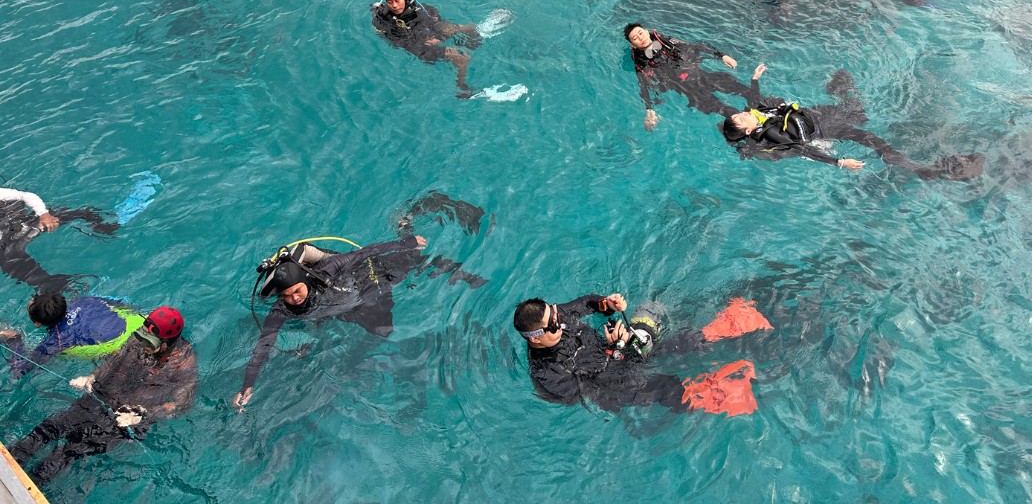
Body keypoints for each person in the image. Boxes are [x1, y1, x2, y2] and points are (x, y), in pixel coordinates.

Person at [233, 193, 488, 410]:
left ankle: (419, 236)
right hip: (344, 306)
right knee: (381, 332)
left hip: (365, 281)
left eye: (297, 291)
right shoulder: (279, 310)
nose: (293, 299)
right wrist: (247, 385)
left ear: (306, 281)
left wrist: (404, 243)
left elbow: (363, 252)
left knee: (414, 263)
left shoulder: (328, 269)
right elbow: (262, 348)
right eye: (286, 296)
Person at [7, 306, 197, 486]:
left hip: (125, 417)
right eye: (142, 336)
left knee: (69, 450)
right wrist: (91, 377)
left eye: (150, 342)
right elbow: (114, 362)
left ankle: (31, 485)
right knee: (51, 426)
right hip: (103, 395)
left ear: (166, 344)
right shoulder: (138, 338)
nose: (143, 344)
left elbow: (181, 404)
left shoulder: (183, 365)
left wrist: (142, 414)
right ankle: (8, 462)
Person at [513, 293, 769, 415]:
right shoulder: (547, 374)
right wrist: (616, 352)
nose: (561, 319)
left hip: (619, 350)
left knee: (653, 319)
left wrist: (607, 304)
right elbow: (589, 393)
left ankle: (725, 327)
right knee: (664, 388)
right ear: (536, 337)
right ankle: (713, 397)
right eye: (554, 323)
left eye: (556, 313)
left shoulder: (558, 316)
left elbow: (585, 304)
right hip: (616, 384)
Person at [720, 68, 985, 181]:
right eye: (741, 119)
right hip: (825, 129)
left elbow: (752, 100)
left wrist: (754, 79)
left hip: (819, 114)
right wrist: (839, 162)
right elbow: (804, 150)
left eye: (740, 115)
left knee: (846, 89)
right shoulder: (773, 134)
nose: (743, 114)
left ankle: (849, 100)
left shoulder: (756, 115)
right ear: (747, 130)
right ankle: (924, 170)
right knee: (870, 138)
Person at [624, 23, 760, 131]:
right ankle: (749, 128)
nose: (640, 37)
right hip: (688, 89)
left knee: (743, 90)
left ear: (646, 31)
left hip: (701, 75)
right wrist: (649, 109)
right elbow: (643, 85)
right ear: (632, 45)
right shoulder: (640, 62)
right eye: (635, 38)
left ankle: (764, 110)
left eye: (640, 33)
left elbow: (696, 46)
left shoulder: (665, 40)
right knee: (724, 110)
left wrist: (721, 56)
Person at [0, 187, 119, 292]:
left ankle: (102, 224)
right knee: (10, 260)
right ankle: (63, 287)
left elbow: (25, 196)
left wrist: (43, 214)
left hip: (22, 225)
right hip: (8, 245)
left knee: (68, 213)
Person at [1, 292, 144, 379]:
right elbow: (123, 303)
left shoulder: (54, 342)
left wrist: (15, 342)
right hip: (142, 324)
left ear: (38, 324)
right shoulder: (86, 300)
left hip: (124, 350)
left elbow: (21, 370)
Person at [371, 0, 481, 97]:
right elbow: (400, 42)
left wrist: (437, 34)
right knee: (461, 58)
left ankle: (472, 43)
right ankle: (462, 88)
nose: (394, 5)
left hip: (425, 31)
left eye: (397, 0)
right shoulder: (383, 20)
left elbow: (432, 13)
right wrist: (428, 40)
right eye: (390, 2)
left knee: (467, 27)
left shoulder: (415, 6)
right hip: (417, 46)